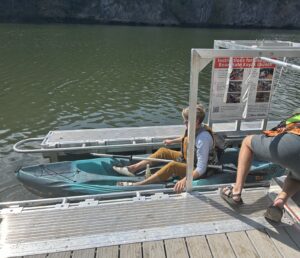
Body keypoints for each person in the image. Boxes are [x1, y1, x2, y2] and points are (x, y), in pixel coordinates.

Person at [113, 104, 217, 193]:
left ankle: (139, 184)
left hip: (197, 168)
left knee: (173, 166)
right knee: (163, 151)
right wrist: (172, 141)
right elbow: (186, 138)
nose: (184, 123)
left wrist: (185, 180)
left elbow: (201, 168)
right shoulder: (196, 128)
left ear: (196, 120)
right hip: (189, 158)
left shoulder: (203, 139)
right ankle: (133, 168)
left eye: (186, 121)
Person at [220, 109, 300, 222]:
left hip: (293, 144)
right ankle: (280, 202)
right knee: (297, 178)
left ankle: (236, 192)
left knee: (247, 142)